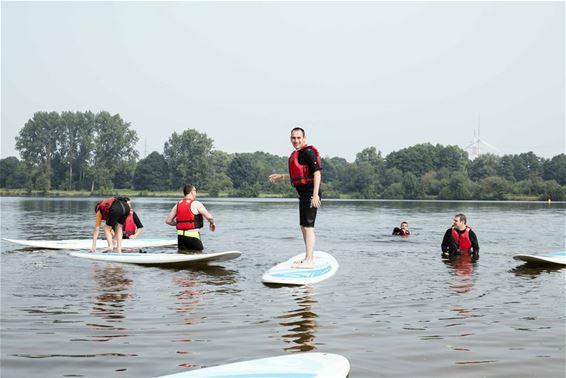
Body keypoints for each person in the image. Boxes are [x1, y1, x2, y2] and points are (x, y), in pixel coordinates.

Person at [268, 127, 322, 268]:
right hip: (303, 194)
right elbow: (299, 174)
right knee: (303, 226)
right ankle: (307, 257)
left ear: (304, 138)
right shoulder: (296, 154)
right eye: (293, 138)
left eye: (299, 138)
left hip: (311, 193)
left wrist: (315, 195)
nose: (296, 140)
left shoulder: (308, 152)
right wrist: (281, 176)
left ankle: (310, 260)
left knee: (309, 227)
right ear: (290, 138)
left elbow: (317, 173)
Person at [165, 184, 216, 251]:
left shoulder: (178, 204)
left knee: (183, 257)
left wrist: (179, 223)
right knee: (199, 256)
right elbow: (210, 217)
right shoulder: (196, 203)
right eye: (195, 191)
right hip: (193, 237)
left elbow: (168, 221)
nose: (196, 193)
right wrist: (212, 223)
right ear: (192, 192)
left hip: (181, 238)